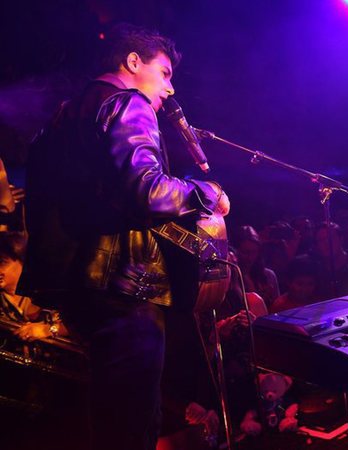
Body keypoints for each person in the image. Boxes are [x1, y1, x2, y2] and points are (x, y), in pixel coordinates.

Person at [18, 23, 229, 450]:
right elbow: (147, 189)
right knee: (132, 422)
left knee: (110, 416)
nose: (170, 89)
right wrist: (208, 193)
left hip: (79, 286)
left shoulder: (65, 114)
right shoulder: (129, 104)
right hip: (125, 287)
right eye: (165, 73)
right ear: (133, 62)